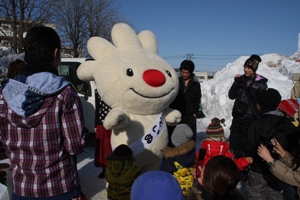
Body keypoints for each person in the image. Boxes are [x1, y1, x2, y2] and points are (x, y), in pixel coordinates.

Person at [0, 25, 88, 199]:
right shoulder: (64, 92)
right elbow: (75, 145)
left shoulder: (4, 93)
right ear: (56, 53)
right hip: (61, 187)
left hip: (22, 188)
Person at [244, 88, 297, 200]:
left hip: (258, 168)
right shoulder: (287, 123)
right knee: (276, 193)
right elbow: (293, 143)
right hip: (280, 166)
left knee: (256, 194)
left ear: (261, 105)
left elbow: (249, 145)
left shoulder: (256, 123)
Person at [228, 54, 268, 158]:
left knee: (247, 148)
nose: (246, 70)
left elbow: (262, 103)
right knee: (234, 146)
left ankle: (246, 170)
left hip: (250, 121)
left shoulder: (261, 83)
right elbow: (231, 95)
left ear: (254, 69)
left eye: (249, 68)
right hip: (237, 119)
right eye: (245, 67)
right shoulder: (240, 80)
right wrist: (236, 83)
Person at [169, 60, 201, 144]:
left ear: (191, 72)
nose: (185, 74)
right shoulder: (176, 81)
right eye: (183, 72)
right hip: (176, 112)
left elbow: (197, 98)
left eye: (187, 73)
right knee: (174, 135)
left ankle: (190, 155)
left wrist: (195, 112)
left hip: (190, 114)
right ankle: (173, 155)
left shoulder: (196, 84)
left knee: (190, 136)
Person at [160, 124, 196, 197]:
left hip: (176, 190)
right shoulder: (193, 152)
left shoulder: (171, 158)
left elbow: (164, 175)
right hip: (191, 188)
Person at [94, 89, 112, 178]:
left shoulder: (119, 88)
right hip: (102, 122)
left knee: (113, 146)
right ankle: (104, 168)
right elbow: (97, 108)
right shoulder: (98, 90)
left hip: (115, 122)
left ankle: (114, 168)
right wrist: (96, 124)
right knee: (102, 147)